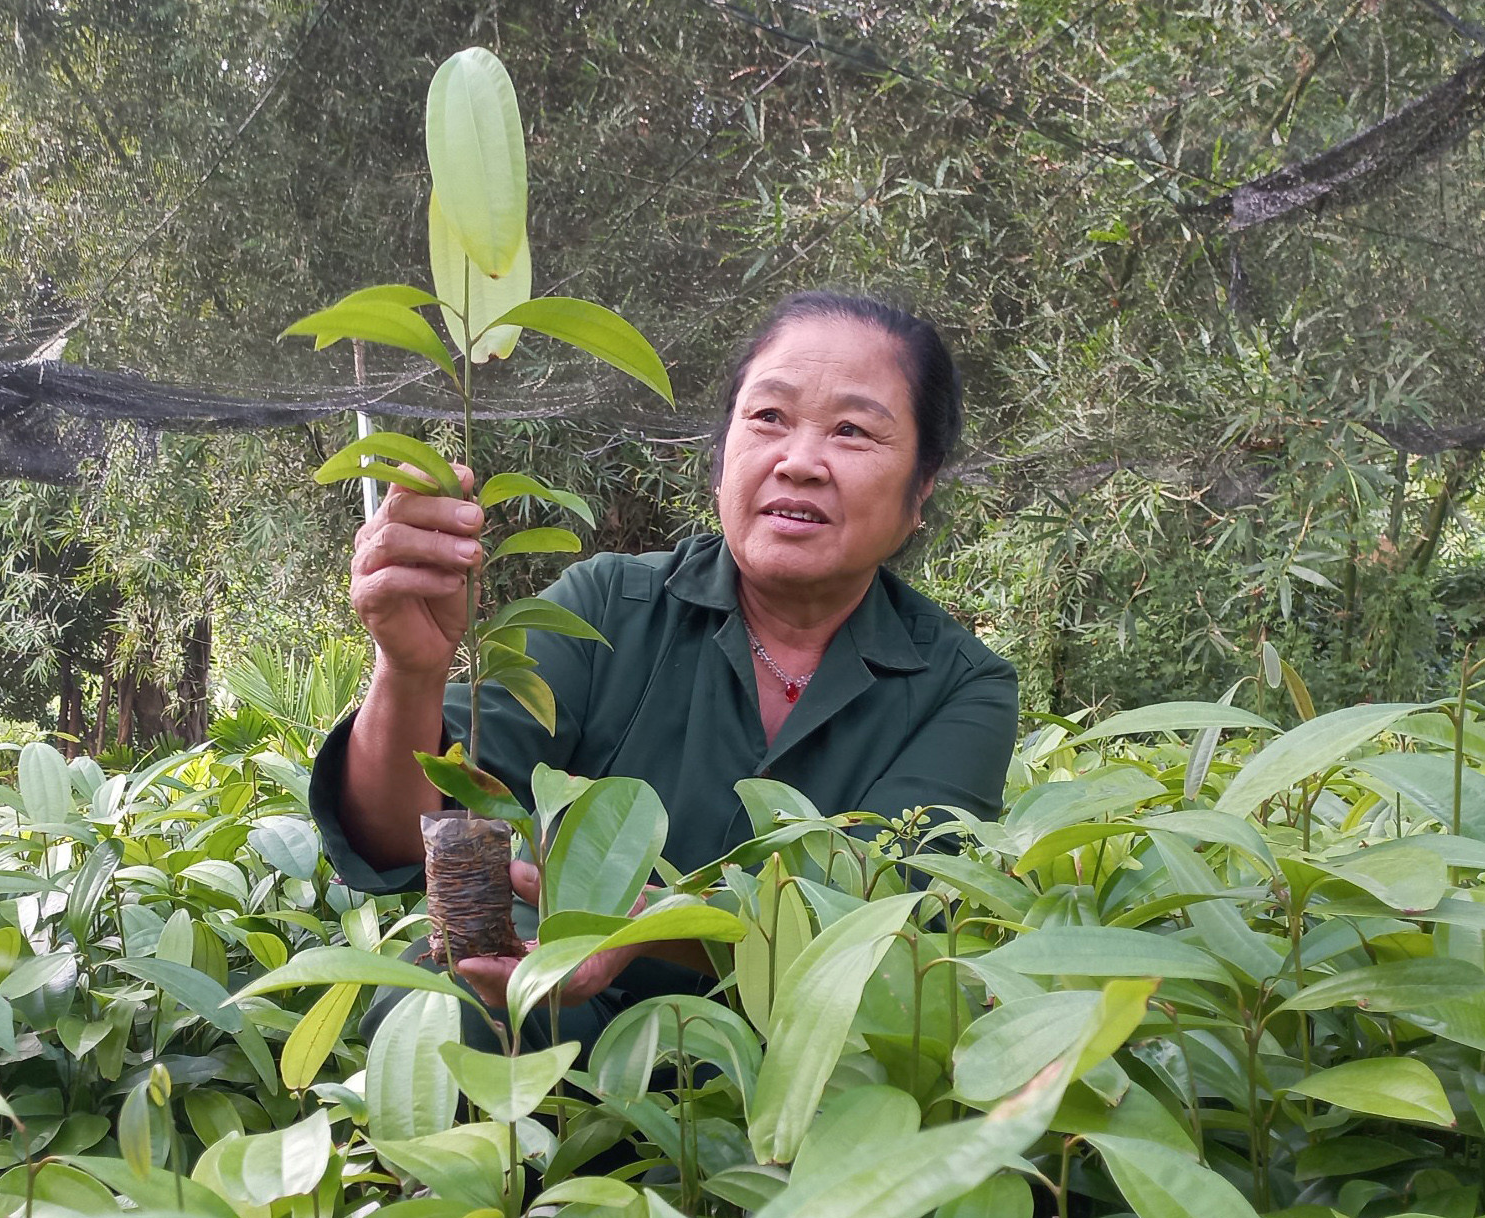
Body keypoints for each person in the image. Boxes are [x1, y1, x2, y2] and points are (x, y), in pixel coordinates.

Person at [309, 290, 1019, 1046]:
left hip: (794, 1048)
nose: (800, 461)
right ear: (722, 457)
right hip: (544, 1008)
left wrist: (650, 926)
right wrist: (409, 669)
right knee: (444, 1018)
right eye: (768, 417)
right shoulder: (607, 605)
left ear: (922, 486)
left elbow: (882, 925)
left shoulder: (961, 686)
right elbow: (397, 834)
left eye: (851, 430)